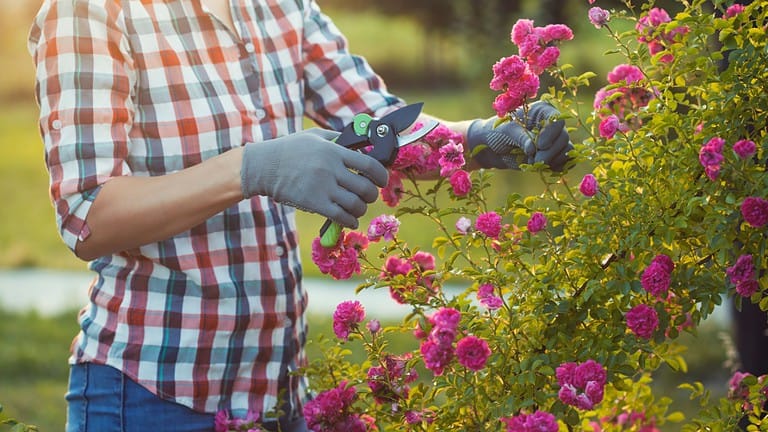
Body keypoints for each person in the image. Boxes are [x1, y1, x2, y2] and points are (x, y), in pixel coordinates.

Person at [27, 1, 572, 431]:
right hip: (153, 395)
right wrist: (252, 168)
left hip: (280, 395)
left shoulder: (277, 5)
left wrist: (479, 138)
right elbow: (89, 215)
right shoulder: (90, 10)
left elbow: (378, 123)